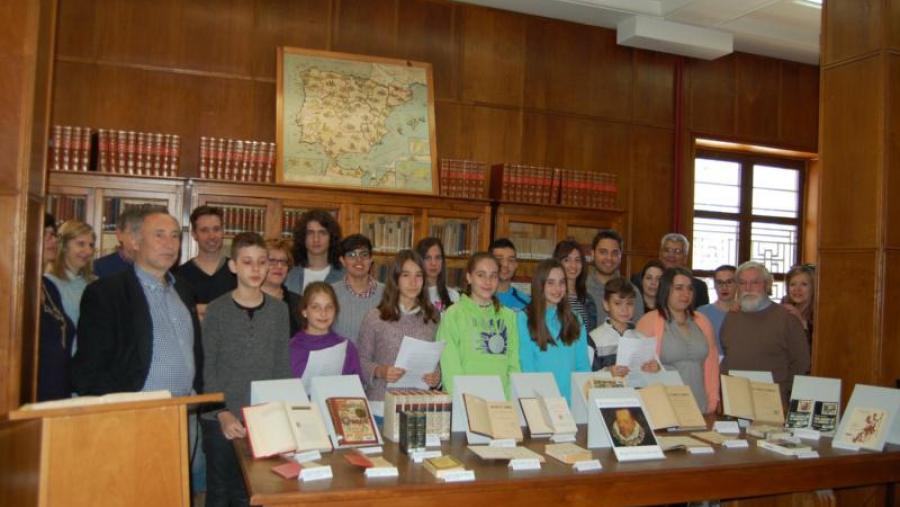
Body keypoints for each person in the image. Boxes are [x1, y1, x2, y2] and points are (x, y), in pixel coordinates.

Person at [201, 232, 291, 507]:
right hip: (221, 418)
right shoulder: (216, 310)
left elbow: (281, 366)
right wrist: (222, 413)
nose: (256, 269)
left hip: (261, 419)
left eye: (262, 262)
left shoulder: (279, 311)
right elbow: (208, 365)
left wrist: (277, 413)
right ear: (233, 266)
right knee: (220, 491)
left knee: (252, 492)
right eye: (247, 262)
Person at [73, 206, 202, 396]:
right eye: (159, 235)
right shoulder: (107, 293)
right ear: (135, 242)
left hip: (184, 411)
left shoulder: (184, 290)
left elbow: (196, 352)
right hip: (133, 414)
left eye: (175, 236)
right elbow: (90, 368)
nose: (170, 244)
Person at [720, 261, 811, 402]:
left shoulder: (786, 318)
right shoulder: (732, 317)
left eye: (755, 282)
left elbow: (801, 362)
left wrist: (784, 391)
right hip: (735, 397)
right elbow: (727, 356)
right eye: (743, 283)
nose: (748, 288)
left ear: (767, 285)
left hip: (773, 400)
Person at [357, 250, 440, 402]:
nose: (413, 282)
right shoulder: (375, 317)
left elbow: (437, 361)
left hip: (419, 404)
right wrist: (380, 371)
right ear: (396, 279)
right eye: (406, 275)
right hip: (381, 403)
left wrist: (436, 377)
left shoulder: (432, 317)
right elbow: (361, 360)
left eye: (418, 275)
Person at [636, 267, 719, 414]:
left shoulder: (702, 321)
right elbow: (637, 370)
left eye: (689, 289)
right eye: (679, 288)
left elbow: (711, 365)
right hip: (662, 408)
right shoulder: (648, 321)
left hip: (700, 406)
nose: (685, 294)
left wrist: (712, 402)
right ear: (666, 290)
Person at [437, 252, 520, 396]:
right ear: (469, 277)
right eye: (481, 275)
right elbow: (450, 367)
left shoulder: (509, 316)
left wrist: (510, 402)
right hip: (466, 402)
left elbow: (514, 365)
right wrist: (464, 401)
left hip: (501, 405)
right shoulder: (453, 315)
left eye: (493, 276)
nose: (488, 282)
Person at [517, 259, 590, 403]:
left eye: (562, 282)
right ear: (540, 285)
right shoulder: (524, 318)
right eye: (550, 283)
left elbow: (583, 366)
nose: (557, 289)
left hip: (572, 403)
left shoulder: (576, 319)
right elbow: (527, 367)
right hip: (540, 402)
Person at [289, 281, 362, 380]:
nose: (323, 313)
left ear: (336, 310)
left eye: (329, 307)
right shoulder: (291, 348)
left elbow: (355, 388)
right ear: (304, 311)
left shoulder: (347, 348)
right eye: (316, 307)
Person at [37, 214, 75, 401]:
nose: (51, 239)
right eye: (44, 234)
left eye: (52, 234)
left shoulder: (49, 286)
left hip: (59, 387)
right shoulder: (11, 291)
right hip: (31, 390)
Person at [589, 278, 659, 375]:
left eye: (629, 303)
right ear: (606, 305)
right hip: (608, 389)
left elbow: (657, 371)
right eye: (617, 303)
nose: (624, 309)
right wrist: (608, 372)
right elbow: (586, 376)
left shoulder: (642, 339)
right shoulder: (594, 338)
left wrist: (655, 369)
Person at [176, 206, 236, 319]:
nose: (211, 236)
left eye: (216, 229)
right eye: (204, 230)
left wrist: (200, 309)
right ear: (194, 234)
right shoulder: (180, 275)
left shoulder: (238, 272)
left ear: (223, 231)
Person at [330, 234, 384, 343]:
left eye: (364, 255)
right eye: (351, 255)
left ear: (371, 259)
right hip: (341, 358)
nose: (359, 260)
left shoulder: (387, 293)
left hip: (378, 360)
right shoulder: (330, 293)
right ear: (342, 261)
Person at [632, 233, 709, 307]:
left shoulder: (699, 287)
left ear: (685, 258)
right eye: (667, 250)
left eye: (677, 251)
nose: (671, 255)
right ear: (660, 254)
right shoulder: (638, 280)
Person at [585, 229, 644, 323]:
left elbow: (639, 330)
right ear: (592, 254)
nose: (609, 258)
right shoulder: (581, 289)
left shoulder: (632, 291)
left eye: (615, 253)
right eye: (603, 252)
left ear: (621, 256)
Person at [44, 220, 96, 327]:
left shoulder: (95, 283)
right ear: (64, 246)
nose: (88, 251)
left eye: (91, 245)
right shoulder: (48, 284)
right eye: (81, 244)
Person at [285, 209, 344, 294]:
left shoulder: (344, 276)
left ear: (331, 237)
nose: (316, 239)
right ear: (302, 237)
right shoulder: (288, 273)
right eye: (310, 233)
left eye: (322, 233)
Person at [553, 240, 597, 333]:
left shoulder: (588, 300)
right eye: (567, 260)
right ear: (557, 262)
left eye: (577, 260)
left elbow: (591, 336)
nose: (573, 265)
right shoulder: (550, 297)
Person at [262, 238, 301, 337]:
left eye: (283, 262)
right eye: (272, 261)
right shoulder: (247, 300)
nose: (279, 266)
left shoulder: (298, 302)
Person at [93, 205, 145, 278]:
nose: (140, 238)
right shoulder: (99, 267)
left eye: (145, 233)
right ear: (119, 234)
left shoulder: (157, 266)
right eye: (134, 232)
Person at [697, 264, 738, 356]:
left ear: (737, 284)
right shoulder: (702, 313)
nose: (724, 287)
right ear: (714, 285)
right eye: (720, 282)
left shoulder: (745, 312)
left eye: (729, 282)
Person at [415, 236, 459, 312]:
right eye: (427, 258)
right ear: (419, 261)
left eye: (438, 257)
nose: (433, 263)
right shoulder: (411, 294)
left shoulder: (453, 296)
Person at [490, 238, 530, 311]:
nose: (505, 264)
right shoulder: (479, 298)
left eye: (511, 260)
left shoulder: (527, 303)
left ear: (516, 265)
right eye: (499, 259)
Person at [782, 264, 816, 339]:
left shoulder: (819, 316)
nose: (797, 289)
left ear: (813, 287)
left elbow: (814, 347)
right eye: (792, 284)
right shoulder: (783, 308)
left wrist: (802, 323)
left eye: (804, 284)